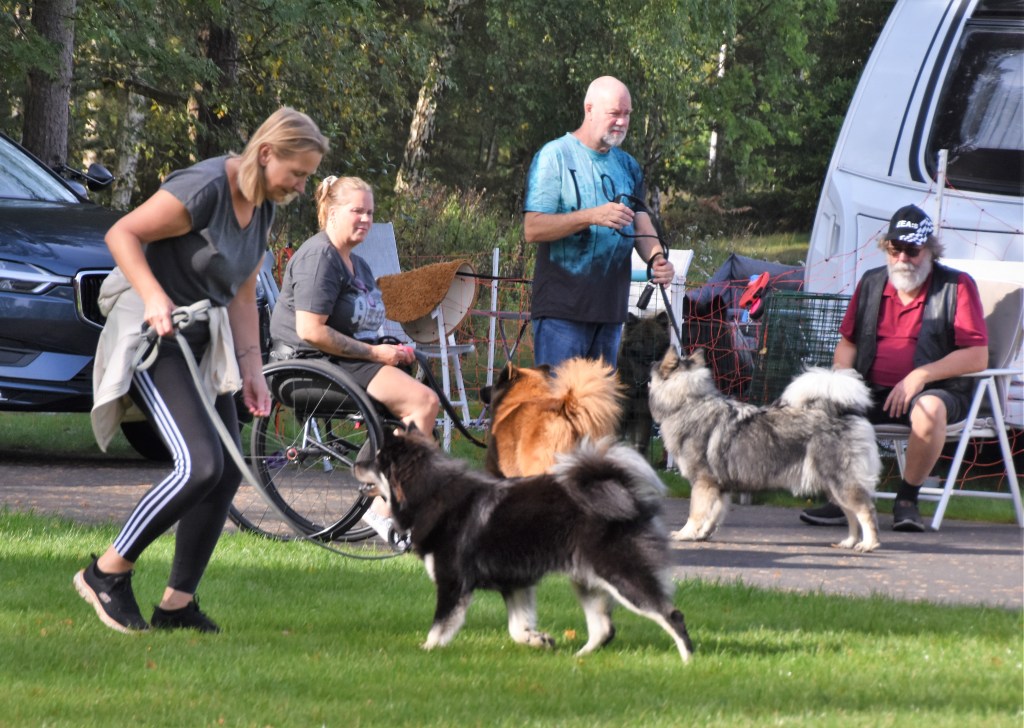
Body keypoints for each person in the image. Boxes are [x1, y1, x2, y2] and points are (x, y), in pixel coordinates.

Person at [75, 107, 328, 634]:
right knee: (198, 465)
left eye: (307, 177)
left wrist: (253, 368)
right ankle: (106, 573)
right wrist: (153, 295)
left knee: (227, 467)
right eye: (298, 173)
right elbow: (122, 233)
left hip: (203, 340)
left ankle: (176, 605)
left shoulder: (264, 206)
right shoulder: (206, 187)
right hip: (153, 336)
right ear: (267, 153)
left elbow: (242, 293)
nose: (302, 187)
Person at [268, 175, 440, 549]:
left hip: (343, 362)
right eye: (356, 211)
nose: (365, 219)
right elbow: (310, 330)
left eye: (370, 213)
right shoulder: (320, 258)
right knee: (423, 402)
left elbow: (360, 327)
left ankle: (382, 477)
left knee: (419, 403)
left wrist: (391, 347)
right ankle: (382, 509)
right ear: (331, 212)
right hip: (306, 366)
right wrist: (376, 354)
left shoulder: (357, 265)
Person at [800, 204, 988, 532]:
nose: (902, 258)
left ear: (930, 251)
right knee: (826, 403)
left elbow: (977, 356)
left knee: (929, 409)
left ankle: (907, 499)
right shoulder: (872, 282)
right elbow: (848, 343)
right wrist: (844, 376)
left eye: (912, 250)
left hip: (938, 392)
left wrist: (920, 376)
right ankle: (844, 499)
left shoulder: (956, 286)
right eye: (894, 249)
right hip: (874, 390)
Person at [523, 75, 674, 368]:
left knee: (601, 400)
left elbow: (641, 223)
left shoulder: (628, 165)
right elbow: (533, 228)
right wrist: (592, 216)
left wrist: (657, 258)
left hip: (611, 313)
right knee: (562, 398)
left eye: (627, 114)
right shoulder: (554, 156)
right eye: (614, 113)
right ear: (589, 109)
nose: (622, 122)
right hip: (561, 312)